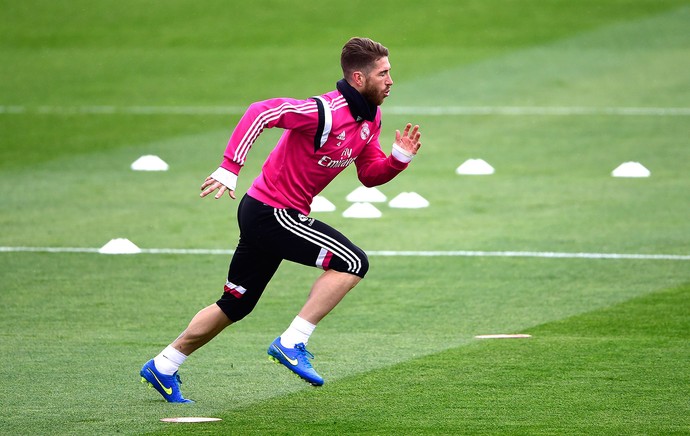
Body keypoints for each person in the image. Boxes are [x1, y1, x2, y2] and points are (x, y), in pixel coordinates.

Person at [140, 37, 422, 403]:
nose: (390, 80)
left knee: (235, 304)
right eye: (383, 73)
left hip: (268, 213)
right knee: (353, 262)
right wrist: (230, 166)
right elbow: (261, 111)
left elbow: (369, 174)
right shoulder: (325, 112)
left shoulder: (370, 118)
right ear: (357, 78)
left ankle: (164, 364)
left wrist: (398, 159)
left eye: (390, 72)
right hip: (272, 212)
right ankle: (292, 342)